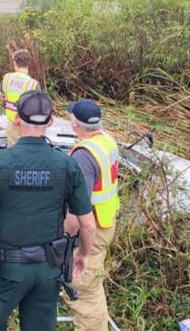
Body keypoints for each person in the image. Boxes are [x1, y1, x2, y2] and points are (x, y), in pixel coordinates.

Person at [0, 90, 96, 331]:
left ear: (17, 119)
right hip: (48, 272)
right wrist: (83, 254)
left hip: (6, 272)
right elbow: (87, 224)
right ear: (51, 122)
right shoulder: (67, 164)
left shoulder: (1, 162)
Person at [63, 99, 120, 331]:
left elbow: (78, 209)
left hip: (91, 230)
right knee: (91, 285)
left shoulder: (83, 157)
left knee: (81, 290)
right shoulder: (106, 141)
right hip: (105, 221)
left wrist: (65, 236)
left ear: (75, 124)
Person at [0, 49, 40, 147]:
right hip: (29, 126)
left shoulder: (7, 79)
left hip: (13, 124)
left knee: (13, 153)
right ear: (29, 63)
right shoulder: (33, 84)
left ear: (14, 63)